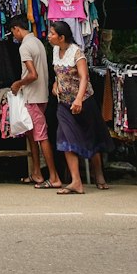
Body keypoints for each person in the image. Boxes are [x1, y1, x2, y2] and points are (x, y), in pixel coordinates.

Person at [47, 19, 111, 195]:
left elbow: (84, 77)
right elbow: (57, 74)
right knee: (66, 138)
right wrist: (55, 85)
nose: (49, 36)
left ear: (61, 37)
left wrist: (79, 100)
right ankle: (76, 181)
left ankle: (99, 174)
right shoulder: (55, 50)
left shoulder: (77, 53)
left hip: (83, 102)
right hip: (63, 103)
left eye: (52, 34)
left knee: (90, 137)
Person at [9, 12, 57, 190]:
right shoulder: (38, 42)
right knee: (32, 134)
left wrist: (17, 84)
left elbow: (32, 74)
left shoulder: (24, 47)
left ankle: (53, 177)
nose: (13, 36)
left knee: (40, 136)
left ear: (16, 29)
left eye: (13, 32)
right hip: (41, 94)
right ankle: (36, 172)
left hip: (32, 96)